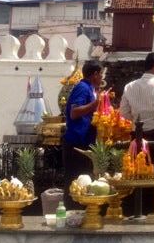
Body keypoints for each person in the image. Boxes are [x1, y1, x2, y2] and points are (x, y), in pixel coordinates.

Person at [62, 60, 103, 209]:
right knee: (75, 179)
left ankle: (83, 210)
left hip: (85, 141)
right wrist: (94, 105)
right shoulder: (82, 88)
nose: (102, 78)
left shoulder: (91, 88)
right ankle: (72, 211)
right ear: (95, 74)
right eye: (101, 74)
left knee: (84, 178)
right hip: (76, 142)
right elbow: (74, 113)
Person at [119, 52, 154, 170]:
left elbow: (123, 111)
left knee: (139, 170)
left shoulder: (129, 86)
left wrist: (136, 118)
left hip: (137, 135)